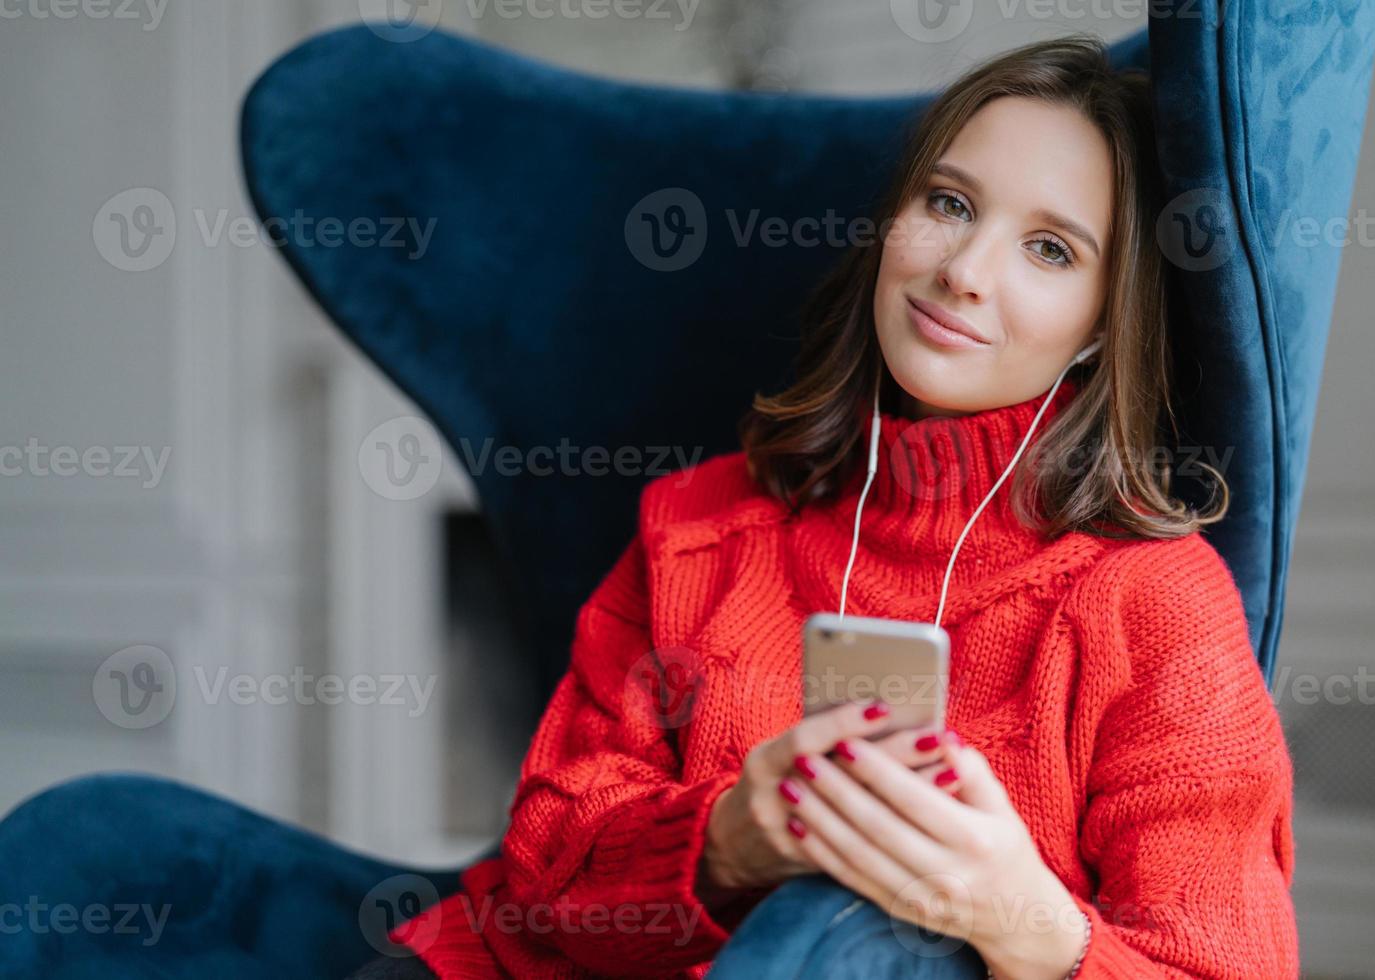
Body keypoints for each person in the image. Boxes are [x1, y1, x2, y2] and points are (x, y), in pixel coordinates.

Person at [360, 31, 1299, 980]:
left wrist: (1024, 920)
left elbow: (1219, 964)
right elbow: (545, 863)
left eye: (1050, 249)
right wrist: (727, 839)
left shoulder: (1156, 604)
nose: (965, 269)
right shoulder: (699, 524)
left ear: (1102, 329)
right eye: (948, 203)